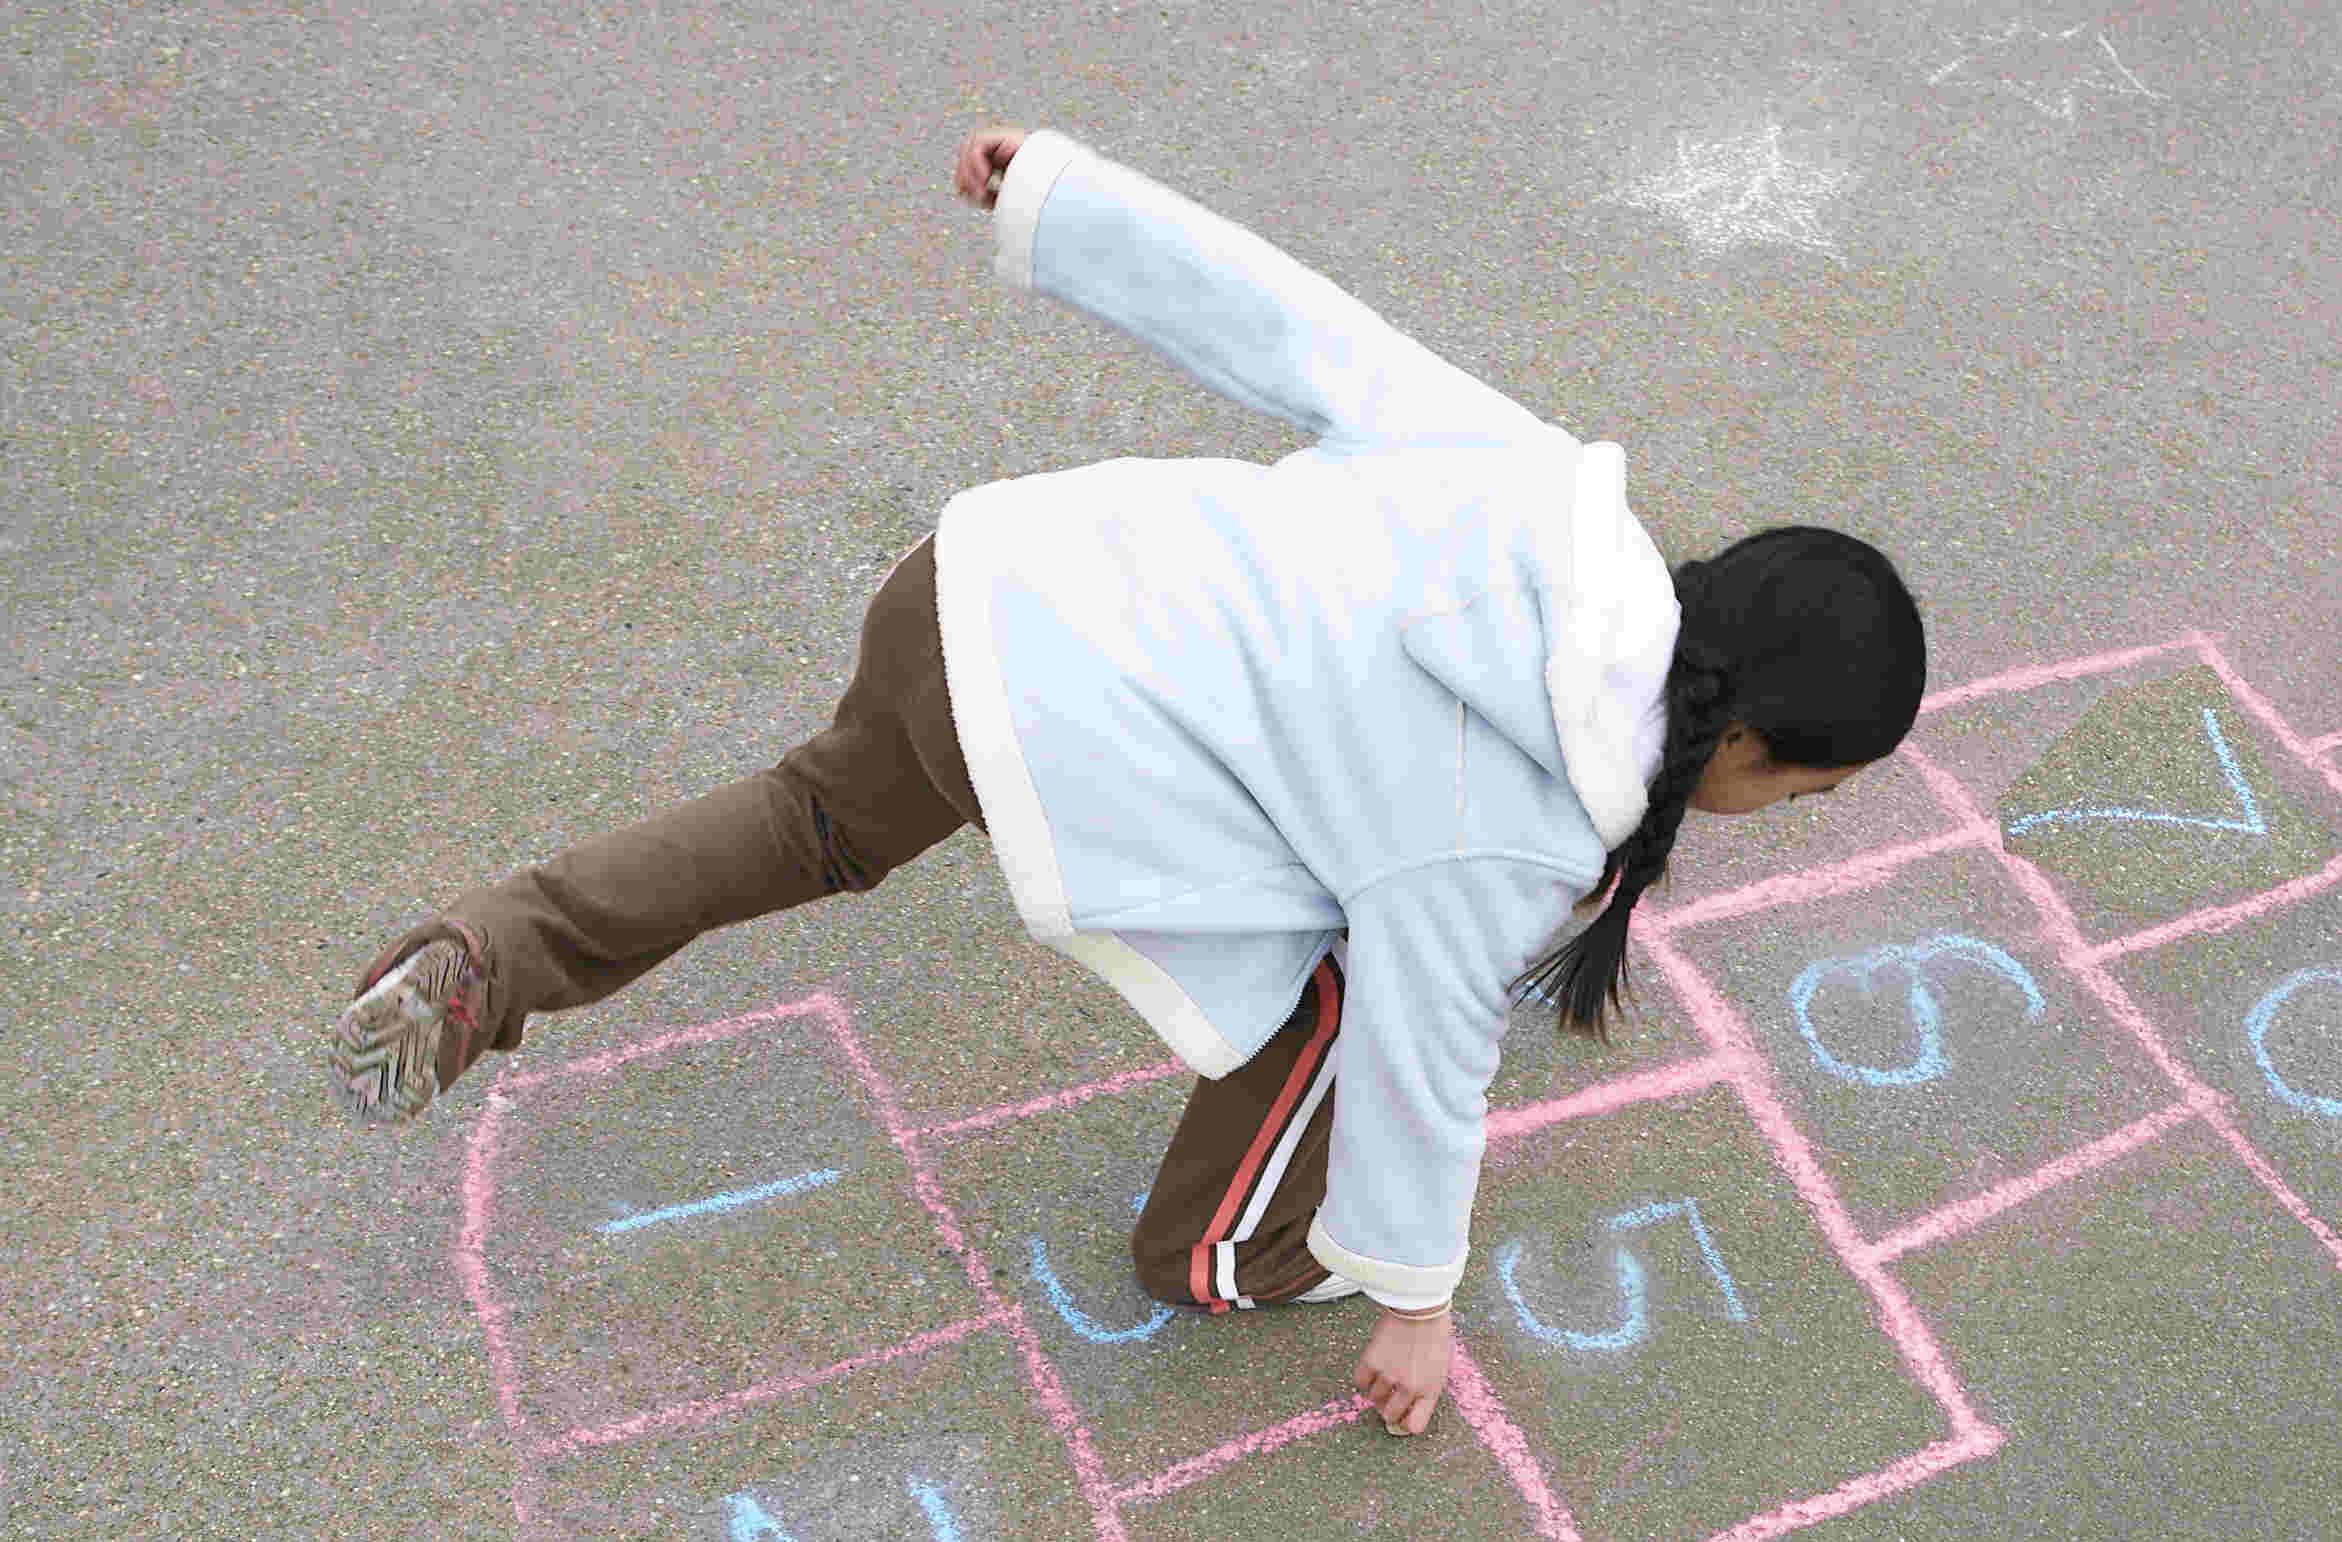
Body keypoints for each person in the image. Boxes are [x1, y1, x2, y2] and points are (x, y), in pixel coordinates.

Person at [329, 123, 1928, 1439]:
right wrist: (1420, 1304)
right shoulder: (1509, 830)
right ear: (1744, 744)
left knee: (810, 821)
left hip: (982, 587)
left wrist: (1062, 204)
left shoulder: (1548, 498)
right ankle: (1218, 1245)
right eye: (1802, 797)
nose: (1783, 820)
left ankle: (493, 955)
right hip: (1066, 737)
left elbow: (1305, 329)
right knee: (1349, 981)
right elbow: (1432, 1054)